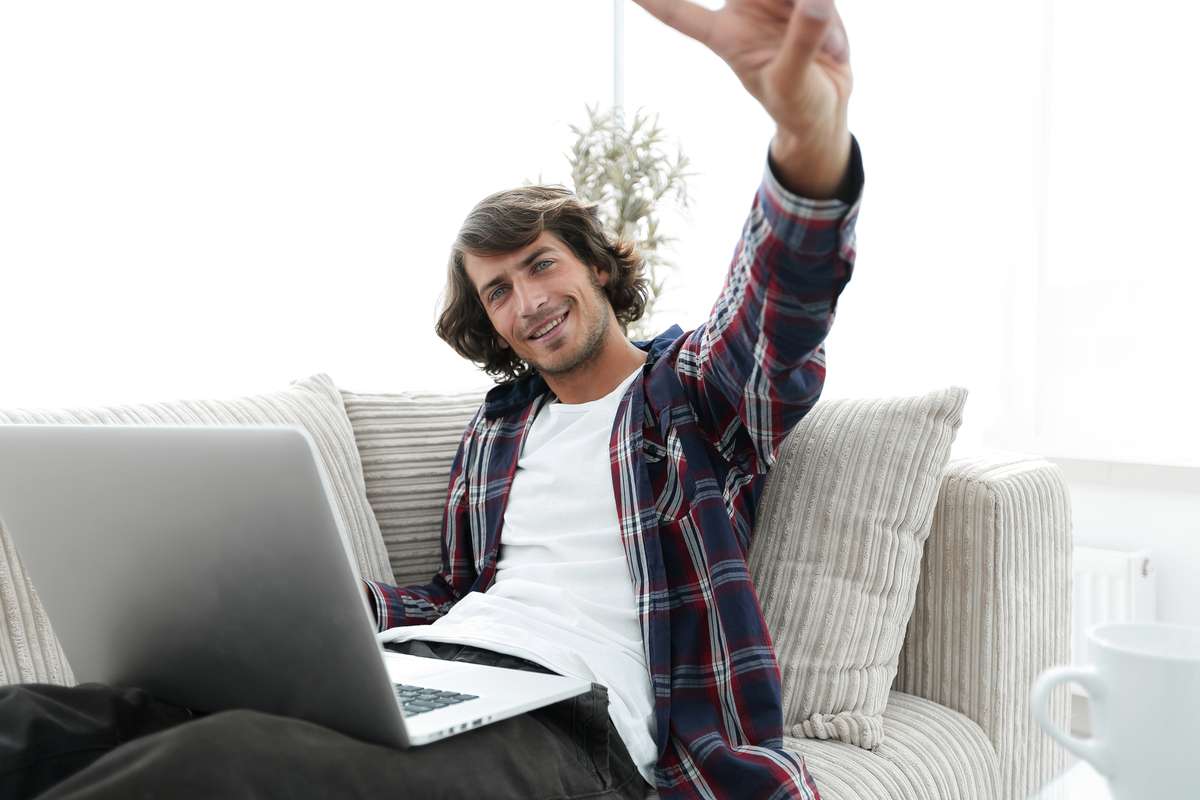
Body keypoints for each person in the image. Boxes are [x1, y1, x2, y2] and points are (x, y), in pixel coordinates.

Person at [0, 1, 863, 798]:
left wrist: (805, 135)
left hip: (568, 727)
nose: (525, 301)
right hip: (425, 673)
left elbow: (779, 306)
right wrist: (285, 614)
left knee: (221, 767)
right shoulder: (497, 436)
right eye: (497, 291)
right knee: (30, 722)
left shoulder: (691, 395)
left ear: (596, 264)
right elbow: (456, 589)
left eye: (540, 264)